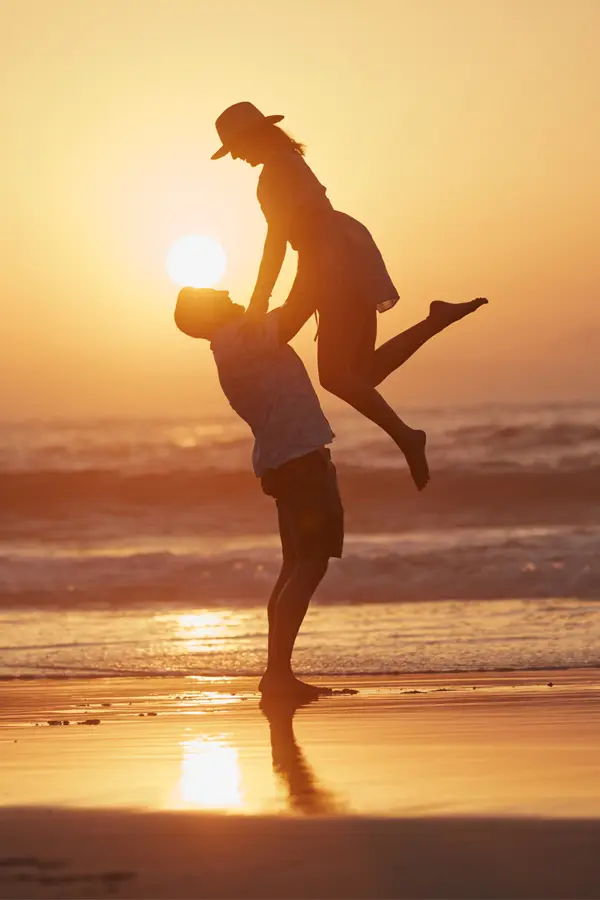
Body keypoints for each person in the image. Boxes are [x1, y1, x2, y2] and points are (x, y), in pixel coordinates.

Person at [211, 101, 488, 491]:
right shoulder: (287, 162)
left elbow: (277, 242)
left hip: (329, 260)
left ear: (253, 137)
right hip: (342, 249)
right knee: (361, 374)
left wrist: (259, 303)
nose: (236, 156)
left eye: (236, 146)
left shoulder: (274, 174)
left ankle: (408, 437)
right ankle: (435, 321)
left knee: (337, 375)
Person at [174, 288, 342, 699]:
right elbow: (300, 308)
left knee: (295, 566)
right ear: (207, 313)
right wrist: (318, 264)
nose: (226, 290)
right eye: (213, 293)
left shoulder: (233, 342)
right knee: (309, 566)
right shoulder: (243, 337)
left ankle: (277, 673)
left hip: (286, 462)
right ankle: (278, 674)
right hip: (299, 462)